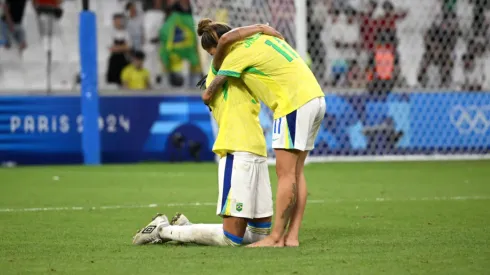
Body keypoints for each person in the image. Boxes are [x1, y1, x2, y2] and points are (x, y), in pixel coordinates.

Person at [132, 26, 279, 245]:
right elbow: (233, 42)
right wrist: (261, 28)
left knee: (260, 236)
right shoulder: (223, 65)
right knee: (232, 239)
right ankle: (163, 230)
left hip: (257, 149)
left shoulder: (234, 64)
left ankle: (186, 229)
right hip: (236, 149)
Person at [200, 19, 326, 247]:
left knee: (286, 174)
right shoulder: (263, 40)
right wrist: (261, 29)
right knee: (297, 173)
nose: (215, 57)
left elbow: (212, 88)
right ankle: (292, 236)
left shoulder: (235, 52)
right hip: (315, 98)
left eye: (214, 52)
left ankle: (276, 238)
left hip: (293, 103)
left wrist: (208, 93)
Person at [106, 13, 131, 86]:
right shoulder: (110, 32)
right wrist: (123, 47)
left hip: (124, 59)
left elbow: (129, 47)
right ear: (113, 21)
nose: (119, 22)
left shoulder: (126, 33)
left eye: (120, 20)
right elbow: (111, 48)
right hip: (114, 59)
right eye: (117, 20)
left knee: (124, 80)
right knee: (113, 81)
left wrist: (117, 47)